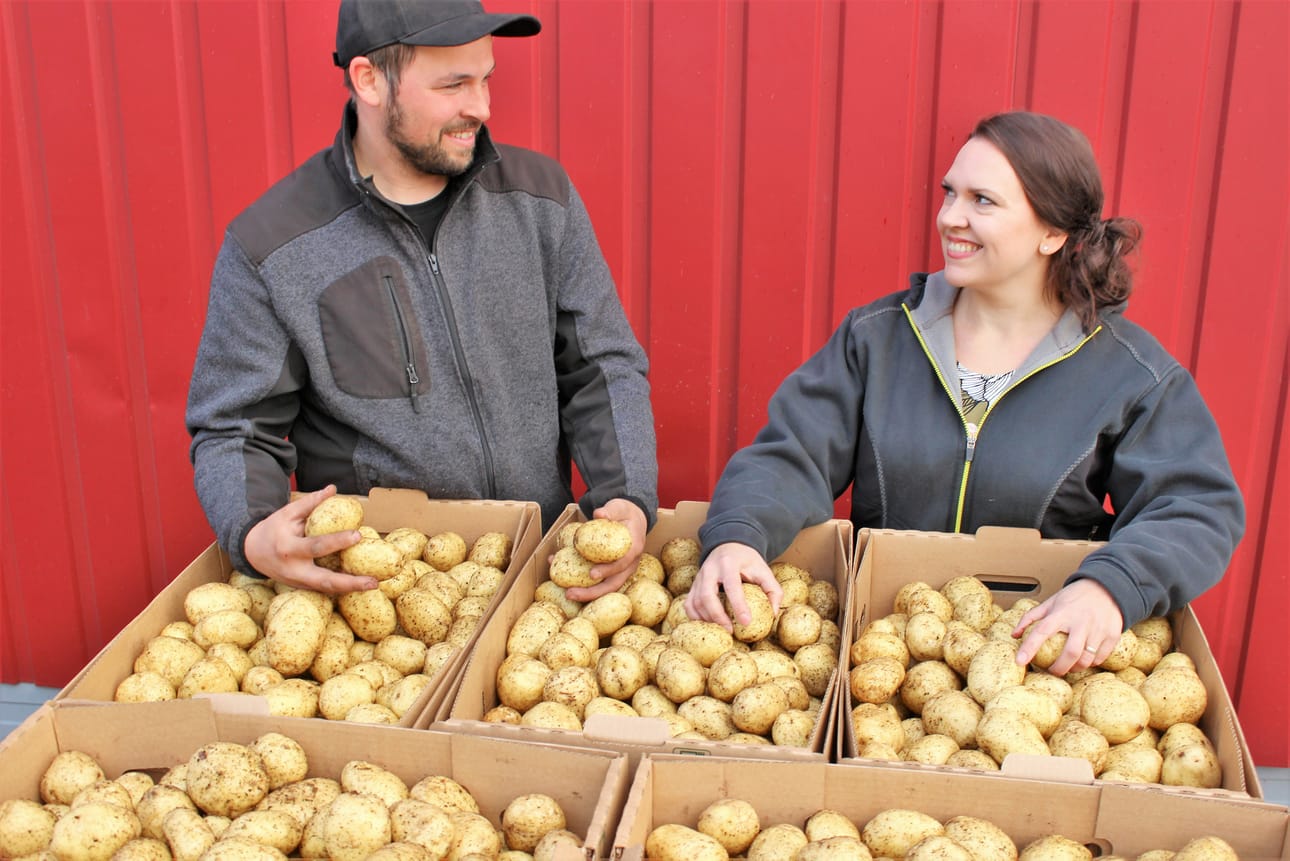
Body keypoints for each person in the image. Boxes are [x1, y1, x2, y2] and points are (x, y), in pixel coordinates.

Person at [685, 111, 1244, 676]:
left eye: (983, 201)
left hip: (1037, 659)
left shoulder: (1131, 375)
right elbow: (791, 455)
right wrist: (740, 534)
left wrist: (1111, 588)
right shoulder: (878, 338)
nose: (951, 217)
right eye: (950, 193)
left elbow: (1197, 508)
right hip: (882, 650)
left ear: (1053, 233)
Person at [186, 0, 657, 600]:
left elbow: (601, 366)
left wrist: (626, 494)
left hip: (542, 578)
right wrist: (253, 532)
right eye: (453, 84)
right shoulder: (275, 245)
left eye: (485, 78)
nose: (481, 108)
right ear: (369, 80)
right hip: (381, 596)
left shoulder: (539, 200)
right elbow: (233, 425)